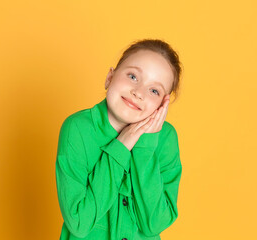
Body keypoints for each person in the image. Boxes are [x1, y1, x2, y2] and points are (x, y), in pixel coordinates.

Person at [55, 39, 183, 240]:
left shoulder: (165, 139)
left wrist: (145, 147)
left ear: (162, 105)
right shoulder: (78, 129)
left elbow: (154, 224)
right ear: (109, 77)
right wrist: (121, 147)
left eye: (154, 90)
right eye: (133, 76)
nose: (138, 92)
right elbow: (79, 223)